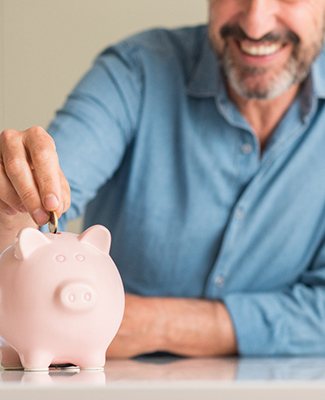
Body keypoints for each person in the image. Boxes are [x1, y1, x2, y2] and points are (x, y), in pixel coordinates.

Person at [1, 0, 325, 358]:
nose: (255, 24)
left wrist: (155, 324)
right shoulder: (136, 72)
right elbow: (36, 212)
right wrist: (11, 201)